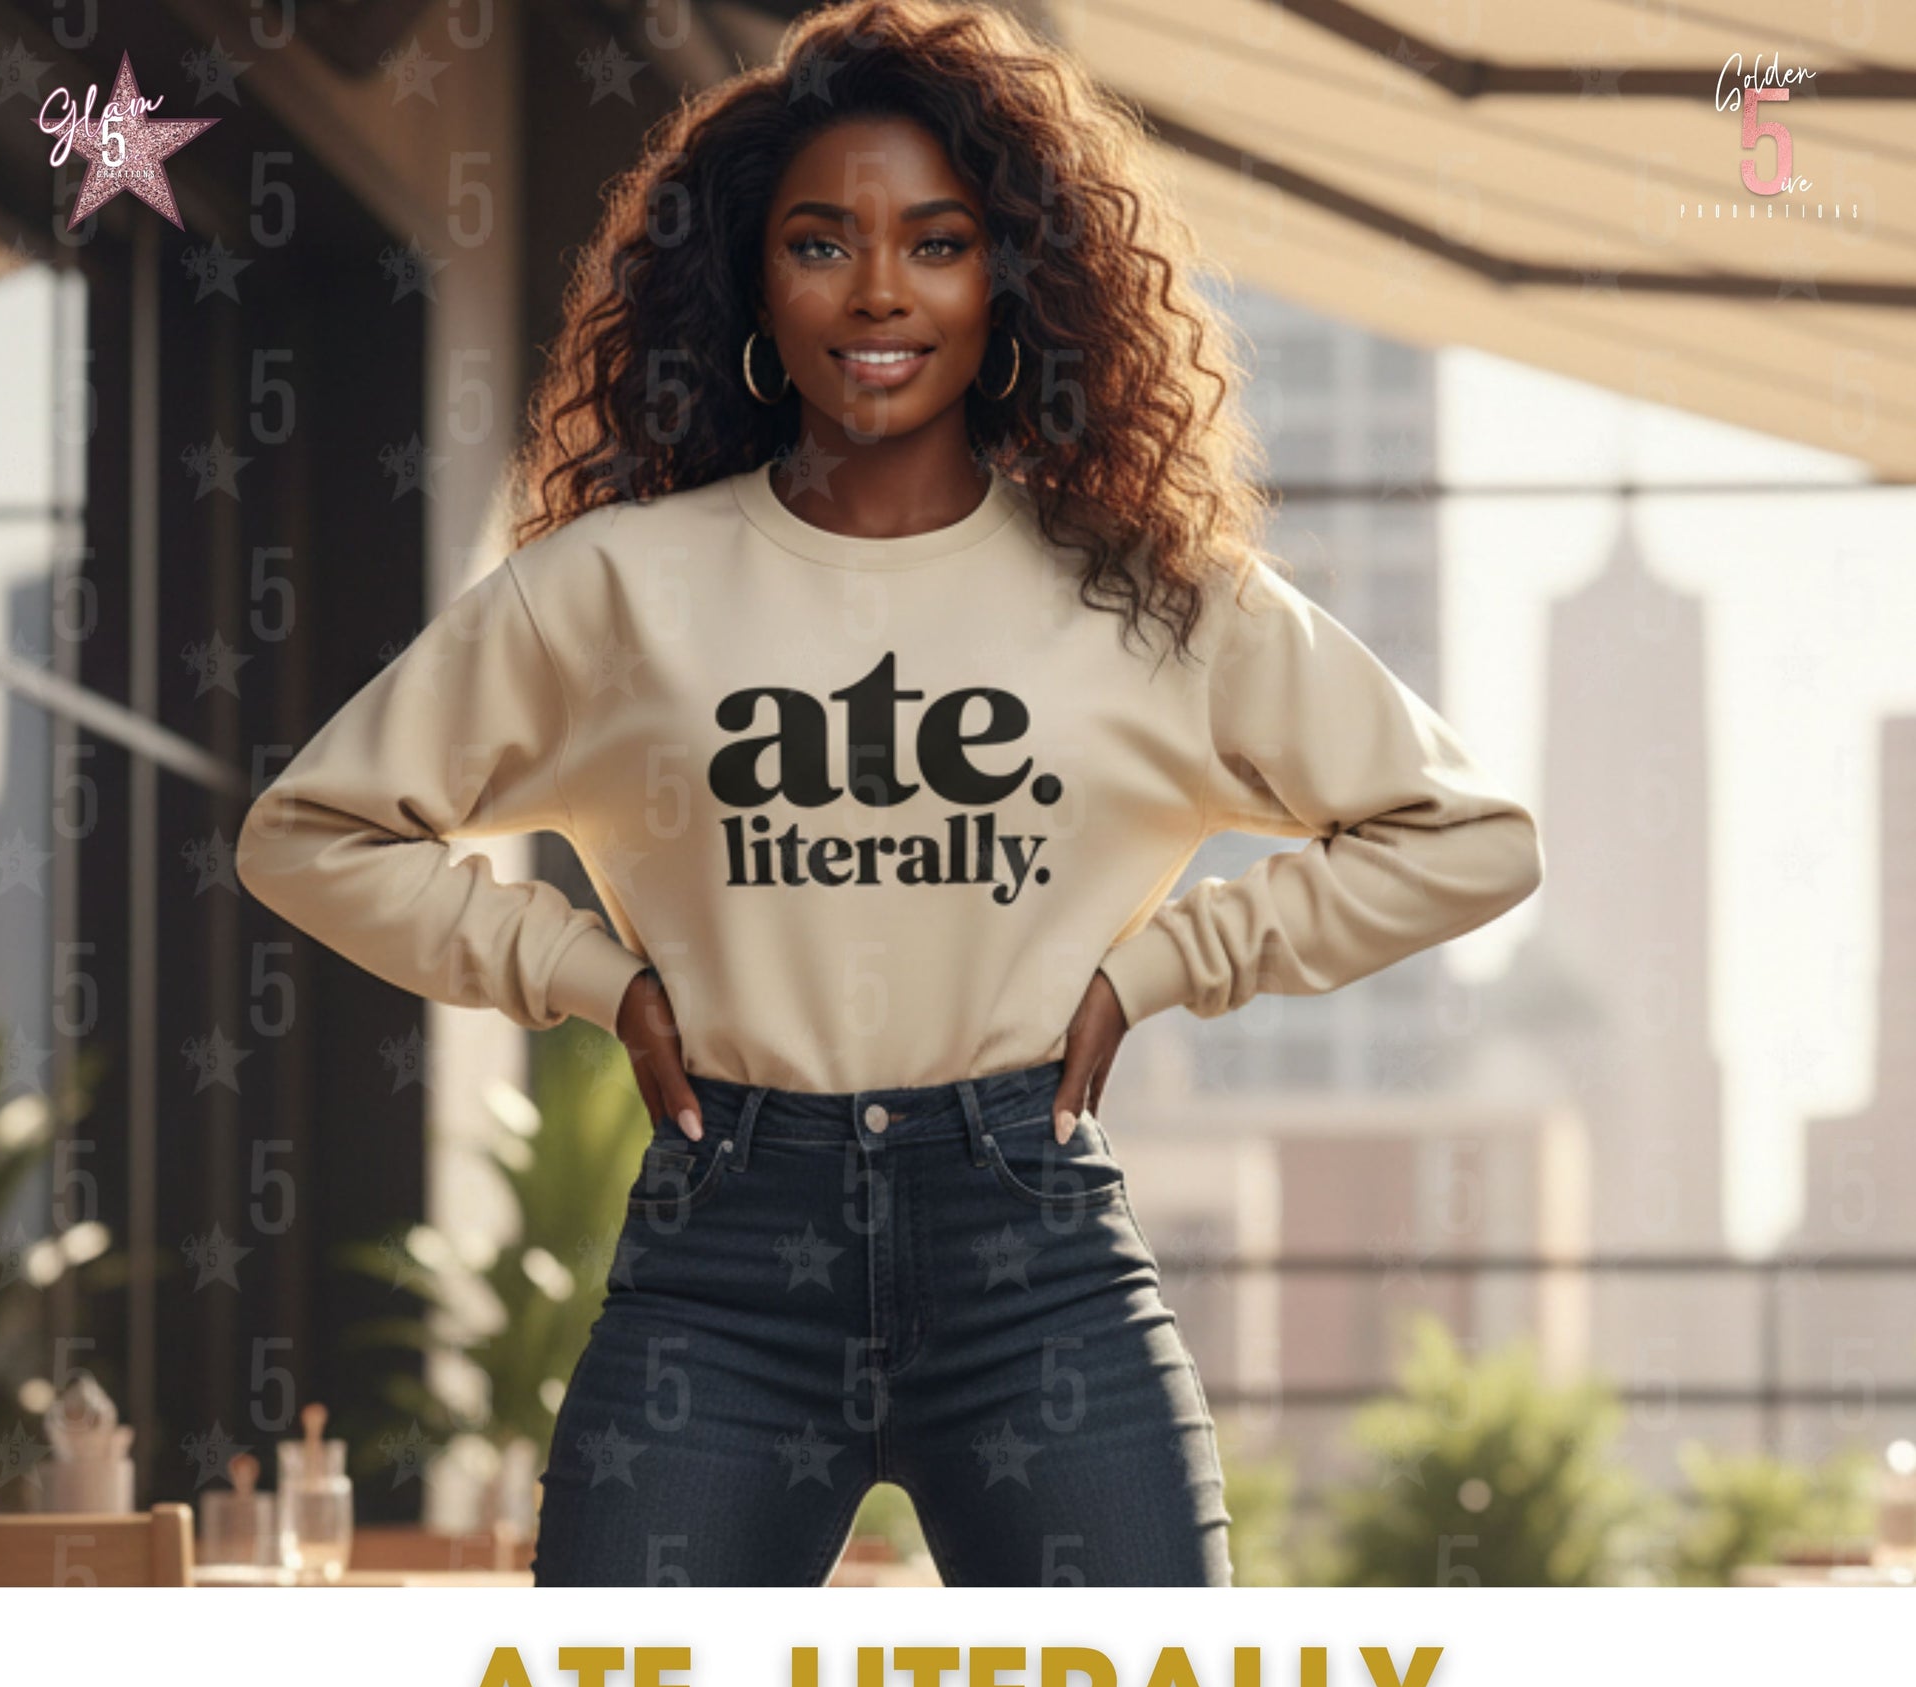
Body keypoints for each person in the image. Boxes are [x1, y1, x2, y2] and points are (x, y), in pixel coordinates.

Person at [235, 0, 1543, 1587]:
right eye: (817, 243)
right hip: (723, 1255)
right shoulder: (613, 589)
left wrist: (1166, 965)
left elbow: (1468, 836)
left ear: (1013, 281)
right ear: (748, 283)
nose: (875, 291)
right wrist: (585, 977)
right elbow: (309, 833)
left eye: (934, 242)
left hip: (1031, 1250)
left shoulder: (1148, 595)